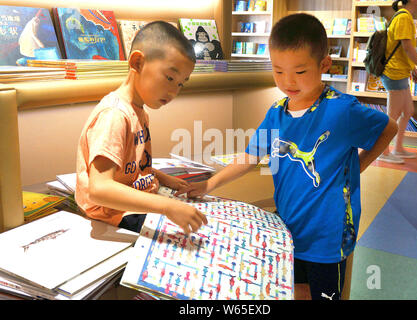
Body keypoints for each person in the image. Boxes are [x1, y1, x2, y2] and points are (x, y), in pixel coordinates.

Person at [177, 13, 398, 300]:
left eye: (300, 71)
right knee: (294, 291)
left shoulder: (342, 110)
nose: (288, 81)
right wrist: (207, 185)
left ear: (324, 65)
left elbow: (388, 127)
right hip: (287, 230)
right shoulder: (276, 112)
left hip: (328, 238)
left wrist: (358, 165)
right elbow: (250, 156)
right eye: (278, 71)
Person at [75, 21, 208, 234]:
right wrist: (168, 206)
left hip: (140, 199)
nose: (174, 91)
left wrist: (163, 178)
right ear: (137, 62)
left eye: (181, 83)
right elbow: (99, 188)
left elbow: (128, 168)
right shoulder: (114, 115)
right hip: (116, 213)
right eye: (170, 77)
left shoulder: (139, 111)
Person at [377, 0, 417, 164]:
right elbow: (407, 47)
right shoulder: (404, 17)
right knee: (392, 117)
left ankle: (398, 147)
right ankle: (383, 152)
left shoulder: (404, 16)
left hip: (400, 71)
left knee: (408, 110)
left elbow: (400, 49)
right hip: (394, 73)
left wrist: (413, 70)